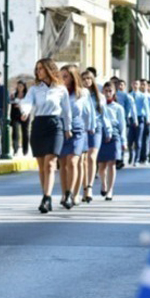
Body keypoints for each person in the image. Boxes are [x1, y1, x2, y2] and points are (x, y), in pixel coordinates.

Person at [19, 58, 72, 214]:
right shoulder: (35, 89)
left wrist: (67, 128)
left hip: (55, 125)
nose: (38, 71)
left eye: (41, 68)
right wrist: (25, 111)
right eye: (37, 69)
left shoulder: (61, 89)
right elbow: (27, 101)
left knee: (50, 163)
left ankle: (47, 198)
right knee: (42, 166)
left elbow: (66, 110)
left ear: (49, 69)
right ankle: (45, 195)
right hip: (39, 125)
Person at [58, 64, 92, 208]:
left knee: (73, 162)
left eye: (65, 76)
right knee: (63, 164)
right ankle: (65, 194)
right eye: (61, 76)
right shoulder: (58, 91)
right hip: (61, 127)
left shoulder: (82, 92)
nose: (62, 79)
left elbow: (87, 111)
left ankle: (73, 193)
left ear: (72, 77)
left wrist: (90, 128)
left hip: (77, 128)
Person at [81, 70, 110, 203]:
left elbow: (104, 115)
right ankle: (82, 187)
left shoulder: (100, 97)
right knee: (82, 159)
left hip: (96, 127)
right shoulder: (78, 95)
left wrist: (108, 130)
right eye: (84, 79)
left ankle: (90, 186)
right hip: (82, 127)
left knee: (92, 157)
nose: (86, 81)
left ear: (92, 81)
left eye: (89, 79)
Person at [96, 82, 126, 200]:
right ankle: (103, 183)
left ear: (114, 93)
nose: (108, 93)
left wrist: (124, 141)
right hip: (101, 133)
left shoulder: (118, 108)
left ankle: (110, 190)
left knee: (111, 163)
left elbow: (122, 125)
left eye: (110, 91)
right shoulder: (99, 106)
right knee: (101, 165)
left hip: (114, 134)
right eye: (106, 91)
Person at [9, 80, 29, 156]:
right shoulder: (14, 95)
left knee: (25, 133)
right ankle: (15, 150)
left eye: (21, 86)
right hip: (15, 115)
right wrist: (11, 99)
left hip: (25, 114)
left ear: (24, 87)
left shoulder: (27, 95)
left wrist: (20, 104)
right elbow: (10, 103)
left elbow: (29, 104)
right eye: (18, 86)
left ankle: (25, 150)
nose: (19, 87)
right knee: (15, 132)